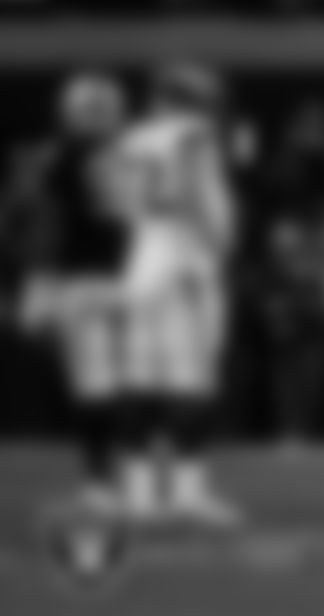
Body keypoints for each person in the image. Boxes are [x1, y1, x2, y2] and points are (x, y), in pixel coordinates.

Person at [90, 62, 238, 525]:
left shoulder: (131, 138)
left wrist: (145, 217)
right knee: (193, 384)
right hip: (184, 263)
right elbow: (188, 192)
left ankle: (139, 495)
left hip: (143, 262)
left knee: (141, 381)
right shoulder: (193, 132)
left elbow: (107, 201)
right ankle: (187, 494)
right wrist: (209, 245)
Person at [10, 71, 131, 517]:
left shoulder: (63, 159)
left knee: (98, 384)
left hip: (89, 281)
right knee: (103, 383)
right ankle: (116, 480)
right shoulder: (76, 158)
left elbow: (38, 225)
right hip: (96, 279)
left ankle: (107, 482)